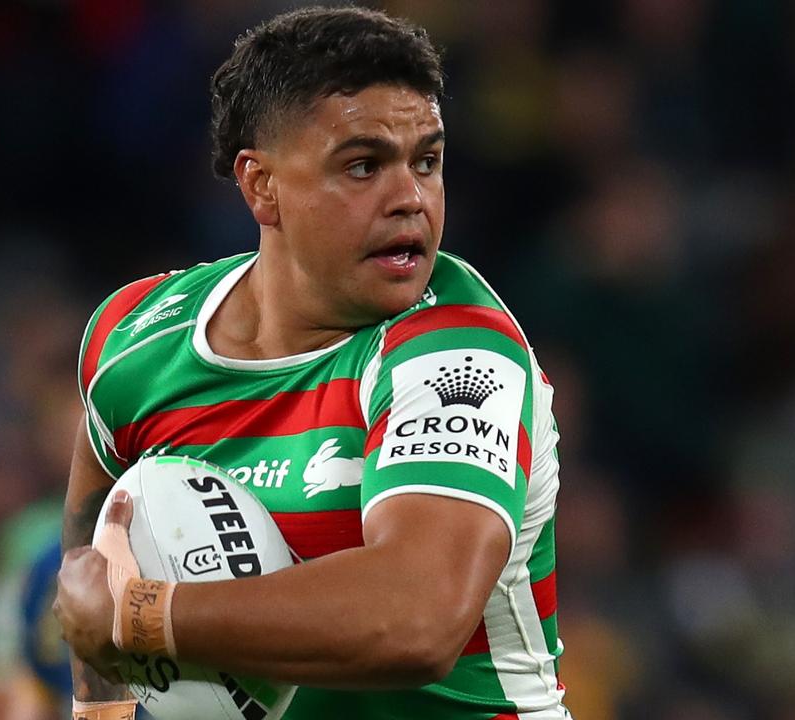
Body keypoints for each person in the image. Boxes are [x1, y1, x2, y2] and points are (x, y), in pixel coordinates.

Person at [53, 7, 569, 719]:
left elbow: (418, 620)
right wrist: (97, 704)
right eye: (363, 166)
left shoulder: (457, 347)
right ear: (261, 186)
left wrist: (141, 615)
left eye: (427, 160)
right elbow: (90, 569)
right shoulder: (137, 338)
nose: (411, 200)